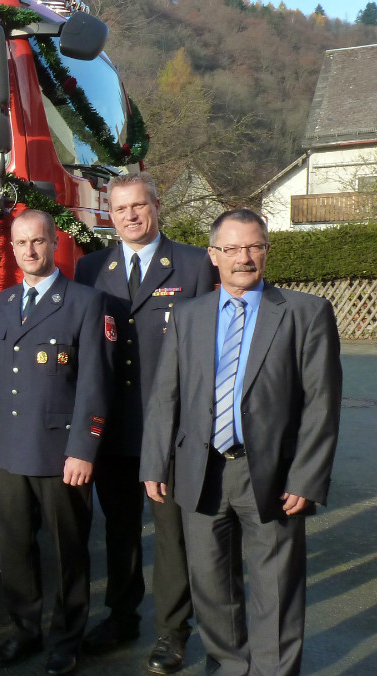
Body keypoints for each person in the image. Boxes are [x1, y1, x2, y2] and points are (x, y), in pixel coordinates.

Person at [141, 209, 342, 676]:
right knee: (211, 587)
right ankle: (230, 667)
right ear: (213, 255)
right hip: (201, 471)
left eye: (253, 246)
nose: (243, 258)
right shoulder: (188, 315)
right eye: (231, 248)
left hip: (272, 474)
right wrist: (154, 463)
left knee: (276, 588)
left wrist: (307, 477)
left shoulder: (306, 313)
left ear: (267, 251)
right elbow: (165, 394)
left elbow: (322, 403)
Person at [73, 172, 216, 674]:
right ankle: (122, 616)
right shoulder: (91, 267)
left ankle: (173, 631)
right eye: (120, 209)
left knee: (171, 533)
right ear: (109, 216)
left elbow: (207, 351)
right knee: (119, 529)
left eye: (139, 206)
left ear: (156, 206)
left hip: (171, 429)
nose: (130, 216)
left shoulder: (195, 264)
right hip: (113, 426)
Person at [0, 209, 114, 676]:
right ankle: (24, 630)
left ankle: (66, 639)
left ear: (53, 243)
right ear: (12, 249)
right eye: (21, 243)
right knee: (14, 549)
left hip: (59, 454)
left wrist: (83, 449)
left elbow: (95, 383)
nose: (29, 251)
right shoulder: (0, 303)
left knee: (68, 551)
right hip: (7, 450)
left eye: (38, 241)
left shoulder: (85, 302)